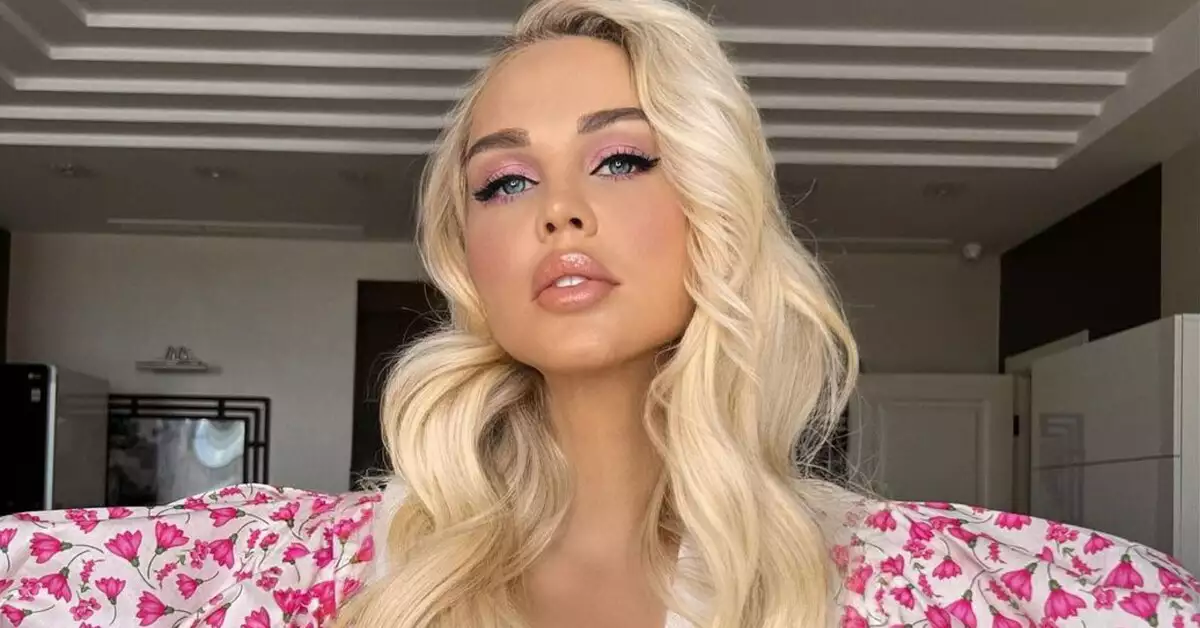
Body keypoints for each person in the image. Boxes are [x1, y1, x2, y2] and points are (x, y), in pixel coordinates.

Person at [2, 0, 1197, 626]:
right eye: (505, 182)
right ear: (470, 252)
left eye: (622, 160)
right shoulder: (301, 569)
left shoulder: (948, 584)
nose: (558, 210)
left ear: (714, 206)